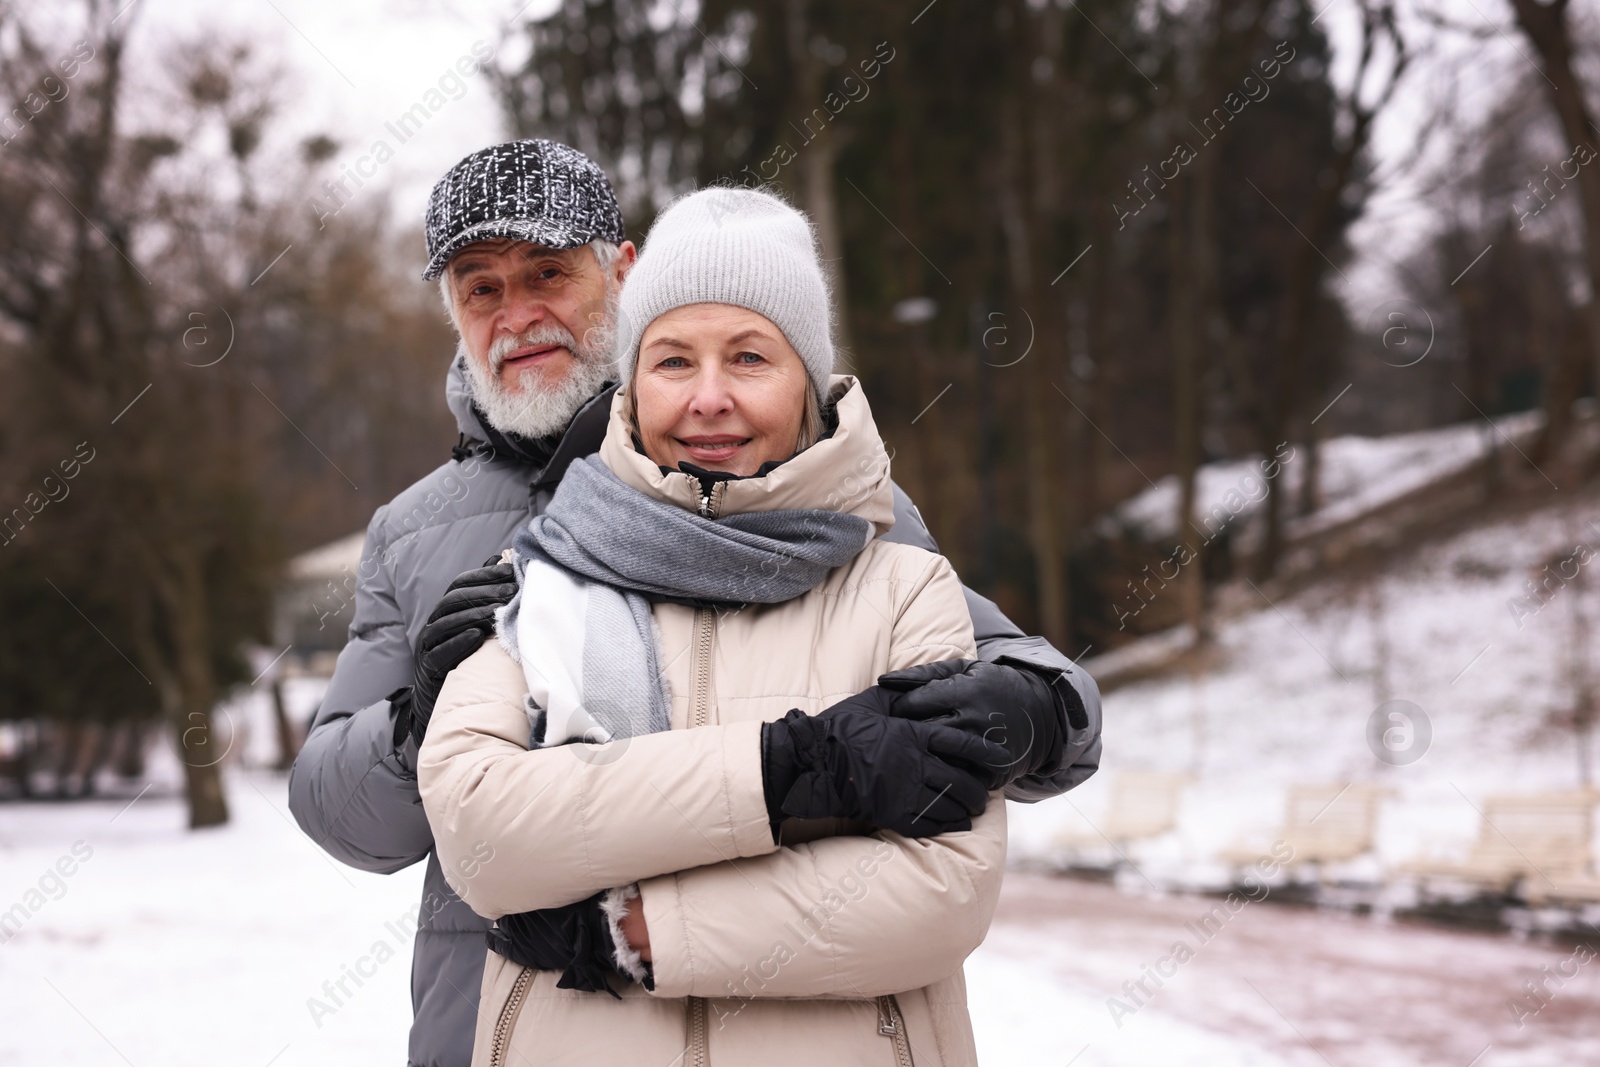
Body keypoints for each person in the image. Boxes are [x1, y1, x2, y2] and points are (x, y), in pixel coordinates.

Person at [288, 139, 1102, 1067]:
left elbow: (975, 680)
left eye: (548, 272)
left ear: (622, 274)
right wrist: (416, 724)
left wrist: (1039, 707)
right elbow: (337, 810)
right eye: (482, 289)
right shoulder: (415, 531)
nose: (518, 315)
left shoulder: (809, 490)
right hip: (508, 1022)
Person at [420, 185, 1012, 1066]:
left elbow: (942, 890)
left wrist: (642, 927)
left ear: (807, 381)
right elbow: (481, 831)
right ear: (632, 383)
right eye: (670, 361)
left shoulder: (904, 589)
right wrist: (788, 773)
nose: (707, 399)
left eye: (748, 358)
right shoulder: (540, 577)